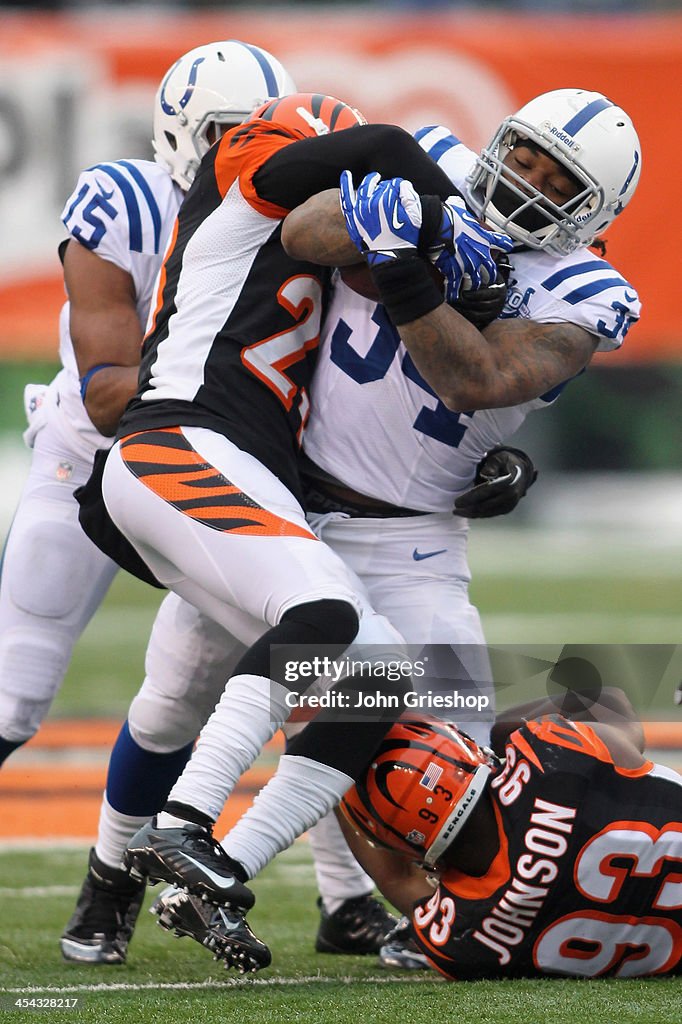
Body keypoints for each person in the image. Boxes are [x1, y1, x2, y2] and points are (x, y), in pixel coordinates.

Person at [149, 87, 644, 970]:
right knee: (175, 697)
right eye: (522, 154)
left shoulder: (587, 291)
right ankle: (115, 892)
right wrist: (399, 223)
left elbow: (480, 379)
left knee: (447, 770)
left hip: (411, 542)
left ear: (593, 211)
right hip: (279, 504)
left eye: (555, 178)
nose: (525, 180)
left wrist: (412, 266)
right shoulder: (434, 163)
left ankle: (383, 909)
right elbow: (301, 236)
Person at [73, 89, 512, 970]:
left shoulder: (302, 257)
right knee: (317, 622)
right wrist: (449, 216)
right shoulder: (243, 191)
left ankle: (222, 865)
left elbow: (370, 397)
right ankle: (185, 823)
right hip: (179, 442)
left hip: (235, 473)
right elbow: (386, 141)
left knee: (375, 669)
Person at [337, 686, 682, 979]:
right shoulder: (556, 756)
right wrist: (504, 729)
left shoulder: (462, 938)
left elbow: (396, 880)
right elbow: (607, 699)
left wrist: (328, 771)